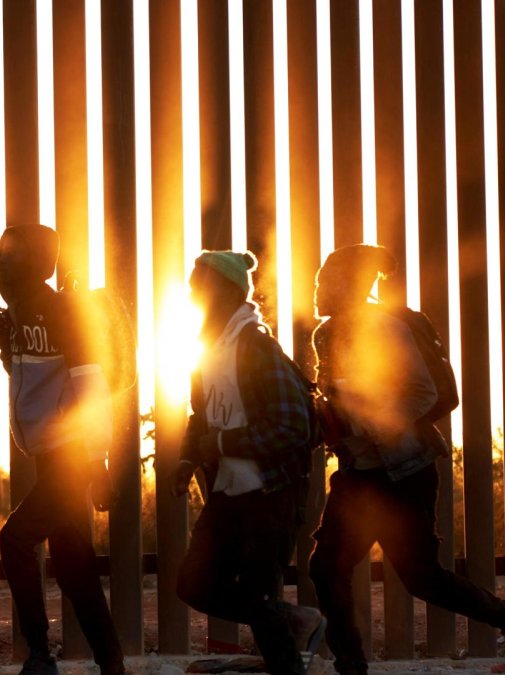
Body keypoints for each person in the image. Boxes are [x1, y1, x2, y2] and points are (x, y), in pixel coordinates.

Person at [307, 244, 505, 675]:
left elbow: (424, 395)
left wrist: (362, 421)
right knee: (326, 567)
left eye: (324, 281)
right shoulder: (326, 334)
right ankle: (351, 666)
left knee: (420, 577)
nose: (316, 288)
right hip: (358, 473)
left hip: (404, 471)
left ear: (349, 286)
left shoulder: (383, 327)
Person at [171, 251, 325, 675]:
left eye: (197, 283)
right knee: (193, 583)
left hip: (271, 493)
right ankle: (294, 619)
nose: (190, 292)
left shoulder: (257, 347)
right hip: (229, 494)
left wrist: (220, 443)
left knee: (259, 600)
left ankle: (287, 647)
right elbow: (199, 417)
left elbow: (292, 427)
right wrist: (187, 459)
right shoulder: (206, 351)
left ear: (226, 290)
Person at [0, 224, 126, 675]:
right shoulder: (20, 316)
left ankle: (39, 658)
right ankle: (112, 664)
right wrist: (5, 347)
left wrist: (97, 462)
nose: (1, 264)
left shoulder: (63, 312)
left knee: (14, 538)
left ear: (38, 265)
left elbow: (92, 391)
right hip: (53, 455)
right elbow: (32, 383)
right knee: (75, 570)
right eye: (0, 255)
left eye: (11, 256)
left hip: (73, 458)